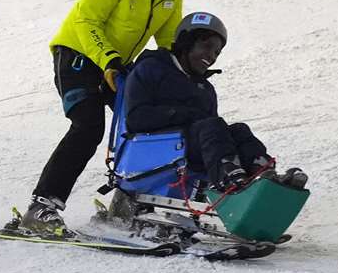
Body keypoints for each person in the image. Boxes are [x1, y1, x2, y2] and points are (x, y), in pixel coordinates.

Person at [19, 0, 187, 236]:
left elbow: (169, 40)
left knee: (145, 124)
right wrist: (108, 59)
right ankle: (41, 208)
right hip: (78, 54)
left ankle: (128, 207)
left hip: (117, 65)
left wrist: (183, 71)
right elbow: (86, 21)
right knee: (88, 125)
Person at [121, 12, 303, 191]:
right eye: (207, 47)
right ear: (186, 42)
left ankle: (261, 172)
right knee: (211, 126)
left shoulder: (205, 90)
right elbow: (136, 118)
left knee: (239, 130)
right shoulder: (150, 68)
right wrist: (185, 115)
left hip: (189, 150)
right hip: (153, 149)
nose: (212, 56)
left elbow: (215, 137)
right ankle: (228, 176)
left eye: (217, 52)